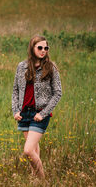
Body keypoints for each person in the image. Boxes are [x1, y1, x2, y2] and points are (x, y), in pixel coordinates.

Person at [12, 35, 62, 179]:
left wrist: (44, 113)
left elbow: (58, 93)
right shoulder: (22, 67)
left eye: (46, 48)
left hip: (39, 115)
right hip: (24, 114)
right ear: (32, 48)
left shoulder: (51, 68)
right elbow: (15, 90)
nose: (43, 51)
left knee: (28, 151)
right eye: (40, 47)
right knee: (34, 150)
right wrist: (15, 110)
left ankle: (43, 181)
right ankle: (36, 183)